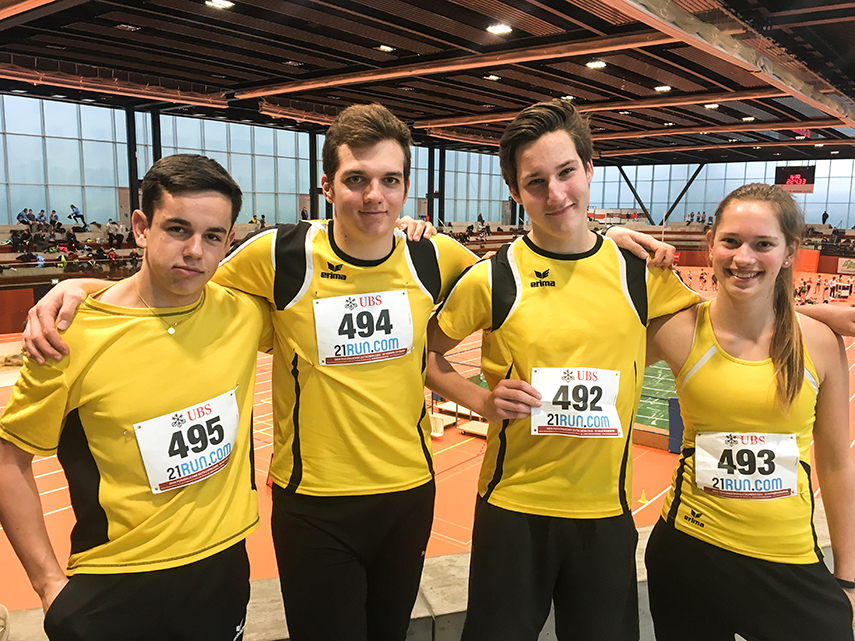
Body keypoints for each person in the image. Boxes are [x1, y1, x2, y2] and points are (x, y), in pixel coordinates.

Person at [425, 98, 699, 641]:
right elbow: (424, 355)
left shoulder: (640, 275)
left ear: (589, 168)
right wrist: (479, 401)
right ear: (515, 192)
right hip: (512, 511)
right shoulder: (493, 277)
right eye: (535, 182)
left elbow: (722, 344)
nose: (555, 194)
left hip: (604, 515)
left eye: (566, 172)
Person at [0, 154, 272, 641]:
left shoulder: (244, 313)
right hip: (115, 582)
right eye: (178, 229)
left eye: (212, 236)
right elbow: (7, 459)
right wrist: (47, 585)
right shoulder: (68, 335)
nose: (195, 251)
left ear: (229, 242)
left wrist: (404, 230)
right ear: (141, 227)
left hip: (222, 567)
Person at [644, 183, 855, 641]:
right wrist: (615, 234)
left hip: (789, 561)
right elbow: (590, 340)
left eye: (763, 244)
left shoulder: (819, 343)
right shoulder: (679, 330)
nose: (744, 257)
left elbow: (837, 464)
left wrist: (849, 577)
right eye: (732, 241)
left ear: (788, 252)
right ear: (710, 246)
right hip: (688, 554)